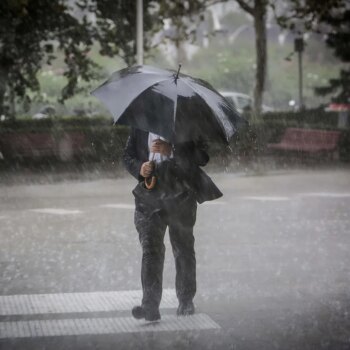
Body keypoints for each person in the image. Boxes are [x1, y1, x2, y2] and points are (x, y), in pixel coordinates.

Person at [123, 128, 222, 321]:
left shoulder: (186, 121)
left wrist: (173, 151)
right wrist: (139, 168)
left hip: (182, 193)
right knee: (151, 250)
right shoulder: (141, 124)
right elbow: (127, 156)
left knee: (183, 248)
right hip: (150, 194)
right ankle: (150, 306)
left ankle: (185, 300)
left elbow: (202, 157)